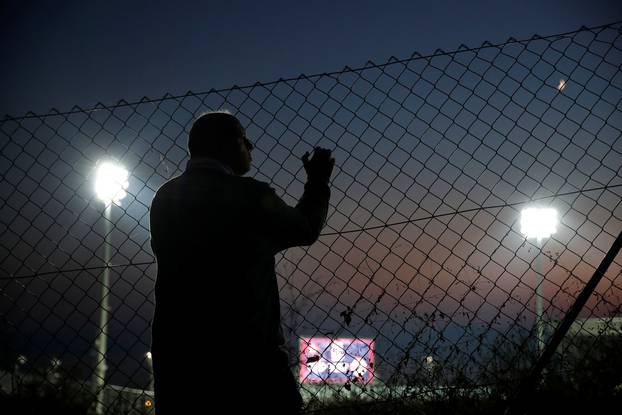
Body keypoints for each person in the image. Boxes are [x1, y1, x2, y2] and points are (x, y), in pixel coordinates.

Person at [149, 111, 334, 414]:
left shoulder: (165, 197)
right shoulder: (249, 195)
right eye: (245, 139)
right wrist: (317, 182)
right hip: (248, 353)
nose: (251, 147)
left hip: (180, 351)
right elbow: (304, 228)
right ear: (229, 144)